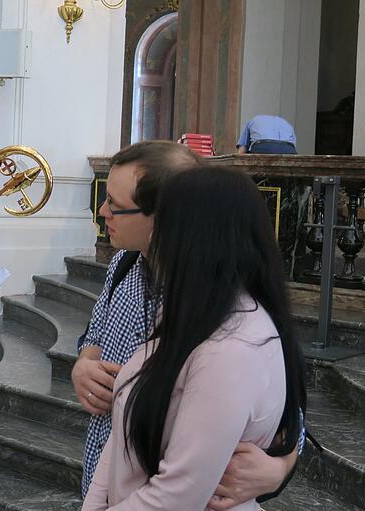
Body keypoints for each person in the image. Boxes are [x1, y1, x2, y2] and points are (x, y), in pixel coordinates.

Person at [73, 141, 299, 509]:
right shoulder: (124, 266)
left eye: (114, 204)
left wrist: (280, 467)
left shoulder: (229, 332)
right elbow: (96, 335)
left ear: (164, 216)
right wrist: (83, 364)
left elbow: (281, 413)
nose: (102, 212)